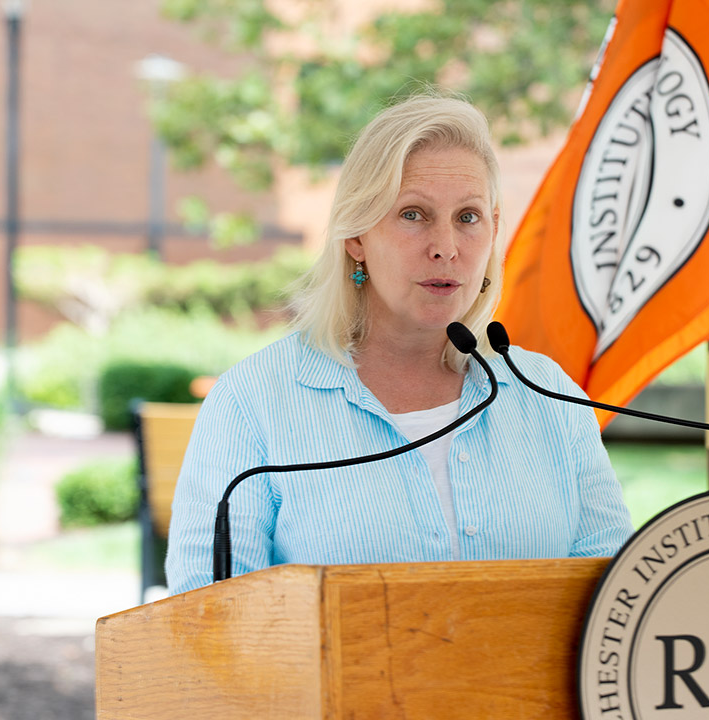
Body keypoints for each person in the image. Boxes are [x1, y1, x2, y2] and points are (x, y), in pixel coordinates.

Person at [166, 94, 633, 593]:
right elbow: (207, 621)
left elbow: (614, 600)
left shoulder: (547, 393)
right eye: (414, 214)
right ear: (356, 236)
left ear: (494, 230)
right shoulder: (253, 401)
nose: (446, 247)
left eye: (468, 217)